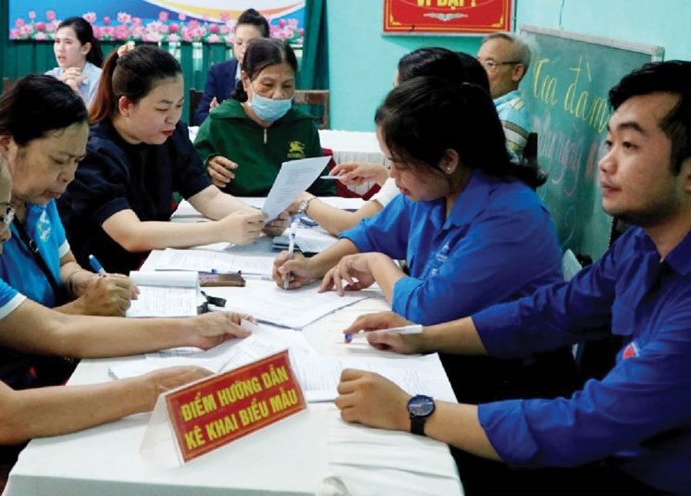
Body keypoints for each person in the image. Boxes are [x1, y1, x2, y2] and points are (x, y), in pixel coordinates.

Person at [334, 60, 691, 495]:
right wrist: (423, 337)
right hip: (594, 446)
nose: (605, 163)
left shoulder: (509, 211)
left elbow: (583, 424)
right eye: (609, 142)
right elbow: (551, 313)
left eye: (630, 146)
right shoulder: (641, 244)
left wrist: (412, 410)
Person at [0, 127, 254, 496]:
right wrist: (155, 388)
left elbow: (57, 328)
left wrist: (192, 329)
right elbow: (2, 415)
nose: (6, 233)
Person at [275, 76, 574, 405]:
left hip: (508, 384)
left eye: (399, 164)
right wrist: (312, 266)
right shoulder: (434, 190)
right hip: (445, 356)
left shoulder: (511, 218)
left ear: (448, 160)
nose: (391, 174)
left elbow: (427, 310)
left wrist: (378, 264)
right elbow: (371, 232)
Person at [58, 43, 283, 275]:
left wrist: (260, 218)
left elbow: (208, 197)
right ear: (125, 105)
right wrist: (221, 231)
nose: (173, 118)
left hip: (155, 263)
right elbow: (131, 235)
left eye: (179, 106)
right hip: (106, 276)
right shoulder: (94, 153)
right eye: (162, 109)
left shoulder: (170, 136)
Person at [0, 74, 139, 389]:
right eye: (58, 160)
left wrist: (85, 282)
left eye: (77, 161)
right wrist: (84, 308)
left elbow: (64, 263)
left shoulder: (39, 198)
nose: (68, 175)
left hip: (54, 352)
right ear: (6, 145)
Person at [292, 48, 490, 236]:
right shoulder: (434, 180)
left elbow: (356, 227)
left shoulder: (428, 179)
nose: (393, 173)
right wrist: (381, 174)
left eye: (399, 162)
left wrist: (305, 201)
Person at [194, 38, 334, 197]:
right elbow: (188, 180)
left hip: (292, 211)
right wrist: (206, 168)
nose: (278, 95)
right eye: (268, 85)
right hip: (233, 209)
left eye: (287, 86)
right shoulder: (220, 123)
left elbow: (324, 188)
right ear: (246, 81)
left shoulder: (302, 126)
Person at [193, 8, 269, 125]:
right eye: (239, 43)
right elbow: (201, 116)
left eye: (252, 44)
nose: (244, 49)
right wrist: (215, 115)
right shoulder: (218, 72)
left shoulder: (274, 73)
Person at [477, 32, 532, 164]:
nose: (479, 71)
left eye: (490, 64)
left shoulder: (510, 113)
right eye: (478, 62)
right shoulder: (488, 105)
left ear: (516, 72)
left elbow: (498, 166)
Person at [45, 16, 104, 107]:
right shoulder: (50, 77)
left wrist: (74, 91)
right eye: (57, 41)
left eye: (68, 42)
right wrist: (57, 85)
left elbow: (97, 115)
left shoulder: (99, 79)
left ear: (85, 48)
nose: (60, 48)